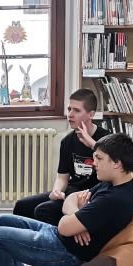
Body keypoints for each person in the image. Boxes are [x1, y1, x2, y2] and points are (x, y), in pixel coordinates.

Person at [0, 133, 133, 266]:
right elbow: (71, 198)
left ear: (117, 163)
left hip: (66, 252)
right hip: (60, 237)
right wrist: (77, 216)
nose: (94, 163)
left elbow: (64, 225)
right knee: (2, 220)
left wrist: (74, 220)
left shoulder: (114, 199)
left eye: (99, 158)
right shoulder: (110, 183)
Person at [13, 89, 109, 225]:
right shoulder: (67, 141)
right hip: (71, 191)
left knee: (43, 210)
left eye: (77, 110)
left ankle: (52, 238)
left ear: (91, 114)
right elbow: (62, 177)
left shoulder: (106, 139)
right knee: (22, 206)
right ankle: (26, 238)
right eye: (69, 109)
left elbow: (116, 165)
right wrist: (57, 191)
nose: (70, 114)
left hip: (92, 195)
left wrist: (93, 144)